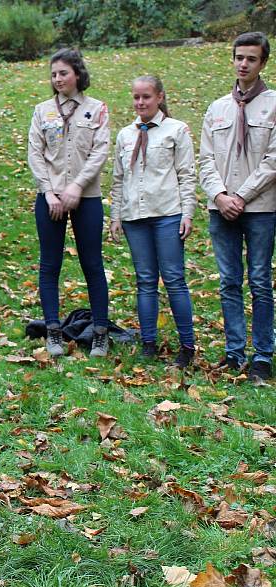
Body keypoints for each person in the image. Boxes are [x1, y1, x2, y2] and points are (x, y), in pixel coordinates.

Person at [198, 31, 276, 382]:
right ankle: (233, 353)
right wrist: (219, 196)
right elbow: (205, 160)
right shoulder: (217, 108)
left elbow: (273, 160)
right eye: (238, 57)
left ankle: (262, 355)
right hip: (221, 208)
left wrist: (242, 196)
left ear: (263, 63)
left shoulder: (273, 104)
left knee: (259, 280)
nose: (243, 64)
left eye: (251, 59)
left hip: (260, 208)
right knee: (229, 282)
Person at [27, 48, 111, 358]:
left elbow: (99, 153)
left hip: (86, 197)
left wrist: (76, 187)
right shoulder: (42, 111)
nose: (58, 78)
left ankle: (100, 332)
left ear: (77, 74)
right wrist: (49, 191)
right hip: (50, 199)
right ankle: (52, 331)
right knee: (50, 265)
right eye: (53, 74)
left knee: (92, 264)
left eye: (63, 73)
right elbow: (35, 154)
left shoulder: (97, 109)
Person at [109, 75, 196, 368]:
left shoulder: (176, 130)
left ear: (159, 97)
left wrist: (187, 213)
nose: (140, 102)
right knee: (145, 280)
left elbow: (186, 175)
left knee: (173, 279)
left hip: (167, 215)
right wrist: (116, 215)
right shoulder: (125, 135)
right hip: (135, 217)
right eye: (136, 97)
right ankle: (148, 343)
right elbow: (118, 178)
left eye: (146, 96)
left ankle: (187, 345)